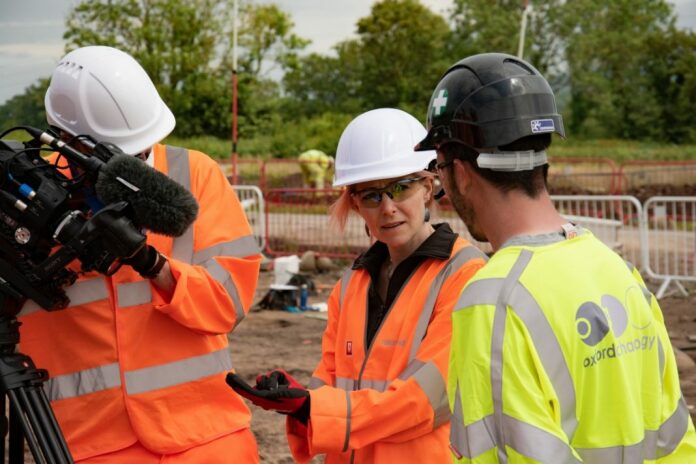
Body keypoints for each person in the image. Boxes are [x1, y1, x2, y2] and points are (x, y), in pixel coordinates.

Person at [416, 52, 696, 462]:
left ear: (459, 172)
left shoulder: (493, 300)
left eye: (438, 169)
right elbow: (676, 441)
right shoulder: (618, 271)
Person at [18, 46, 262, 463]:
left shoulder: (192, 174)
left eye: (142, 154)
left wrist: (152, 263)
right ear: (66, 140)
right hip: (88, 443)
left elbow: (228, 303)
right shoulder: (30, 198)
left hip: (207, 437)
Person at [226, 108, 488, 462]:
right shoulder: (352, 284)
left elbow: (427, 400)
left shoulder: (463, 275)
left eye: (400, 188)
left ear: (427, 188)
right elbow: (330, 382)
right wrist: (298, 397)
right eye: (371, 196)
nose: (388, 208)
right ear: (355, 204)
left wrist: (312, 408)